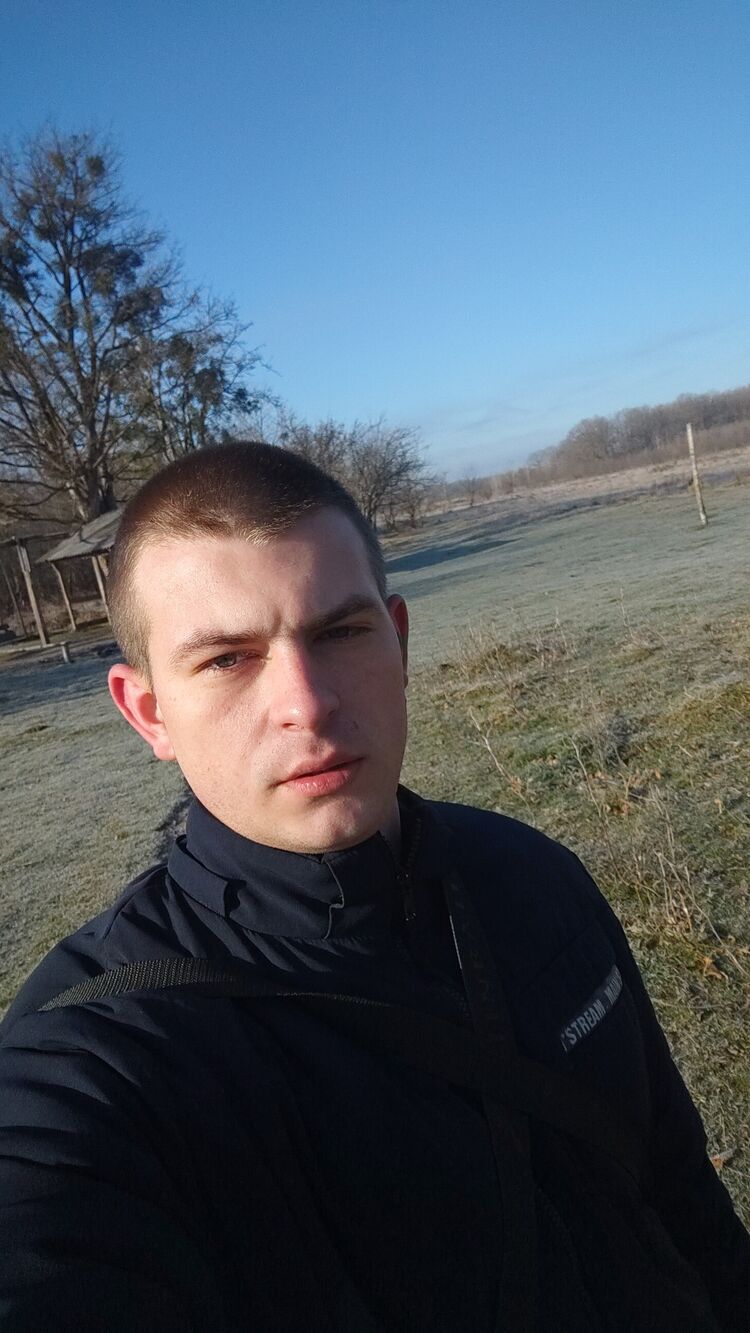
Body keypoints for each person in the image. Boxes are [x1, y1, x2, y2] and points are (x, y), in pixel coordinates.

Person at [0, 441, 747, 1333]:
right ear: (148, 712)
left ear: (398, 641)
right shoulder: (100, 1054)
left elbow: (681, 1188)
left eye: (339, 632)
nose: (307, 703)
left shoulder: (532, 873)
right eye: (227, 659)